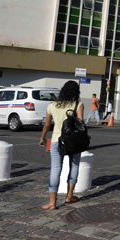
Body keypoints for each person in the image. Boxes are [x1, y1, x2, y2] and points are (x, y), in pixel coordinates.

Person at [38, 80, 85, 210]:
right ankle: (69, 197)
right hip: (74, 141)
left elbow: (47, 125)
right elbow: (81, 123)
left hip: (55, 141)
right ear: (76, 92)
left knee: (55, 169)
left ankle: (52, 202)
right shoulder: (78, 105)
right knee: (74, 166)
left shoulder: (52, 105)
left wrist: (42, 138)